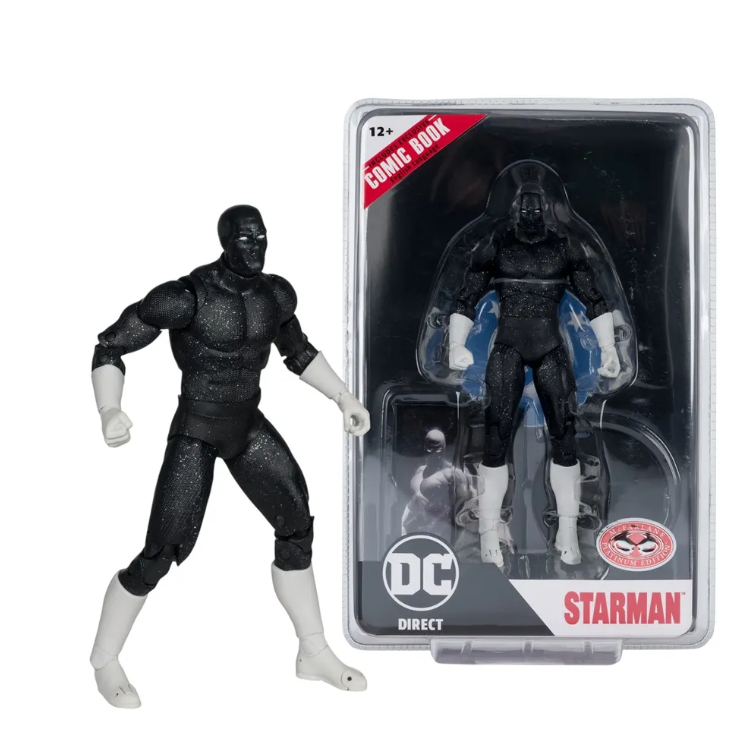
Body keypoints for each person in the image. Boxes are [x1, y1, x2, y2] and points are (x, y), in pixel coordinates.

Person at [90, 205, 369, 707]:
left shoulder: (274, 295)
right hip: (196, 429)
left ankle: (313, 651)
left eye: (261, 236)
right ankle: (105, 660)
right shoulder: (186, 296)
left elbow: (298, 352)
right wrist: (110, 409)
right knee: (161, 552)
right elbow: (110, 345)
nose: (255, 246)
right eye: (245, 239)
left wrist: (344, 397)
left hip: (246, 425)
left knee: (296, 522)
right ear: (225, 241)